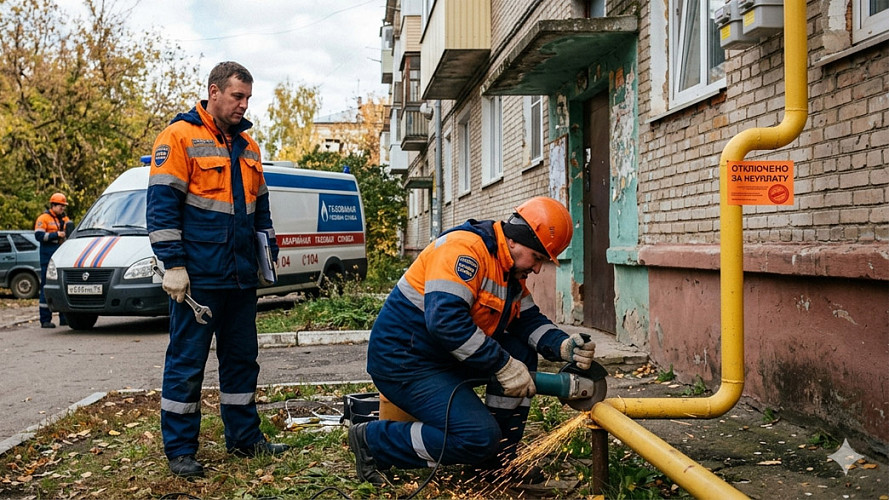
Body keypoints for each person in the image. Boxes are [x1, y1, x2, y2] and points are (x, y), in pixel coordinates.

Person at [349, 196, 597, 486]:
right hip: (404, 361)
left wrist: (563, 346)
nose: (538, 269)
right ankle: (374, 441)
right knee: (478, 437)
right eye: (538, 258)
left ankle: (496, 463)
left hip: (442, 357)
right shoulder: (463, 252)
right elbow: (445, 322)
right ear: (516, 240)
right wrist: (502, 365)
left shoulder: (508, 270)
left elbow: (527, 321)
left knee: (521, 351)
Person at [146, 61, 288, 479]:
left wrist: (268, 253)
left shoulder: (249, 147)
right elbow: (161, 207)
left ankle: (245, 440)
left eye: (247, 98)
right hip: (199, 279)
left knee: (242, 361)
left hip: (242, 277)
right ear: (213, 91)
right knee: (187, 364)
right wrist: (173, 265)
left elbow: (260, 210)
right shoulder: (179, 137)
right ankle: (180, 451)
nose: (244, 105)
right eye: (237, 96)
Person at [34, 193, 70, 328]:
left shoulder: (65, 219)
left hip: (61, 255)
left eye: (63, 206)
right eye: (61, 206)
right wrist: (56, 235)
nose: (63, 209)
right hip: (47, 256)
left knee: (61, 285)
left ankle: (64, 318)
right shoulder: (43, 218)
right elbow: (38, 235)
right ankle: (45, 320)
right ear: (53, 205)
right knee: (46, 286)